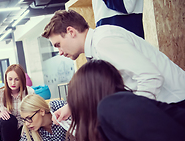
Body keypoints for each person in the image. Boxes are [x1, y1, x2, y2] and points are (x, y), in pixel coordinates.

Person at [42, 9, 185, 122]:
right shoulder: (96, 46)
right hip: (164, 105)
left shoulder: (104, 41)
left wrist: (135, 116)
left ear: (71, 32)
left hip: (176, 103)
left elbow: (151, 78)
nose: (59, 52)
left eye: (58, 45)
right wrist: (71, 107)